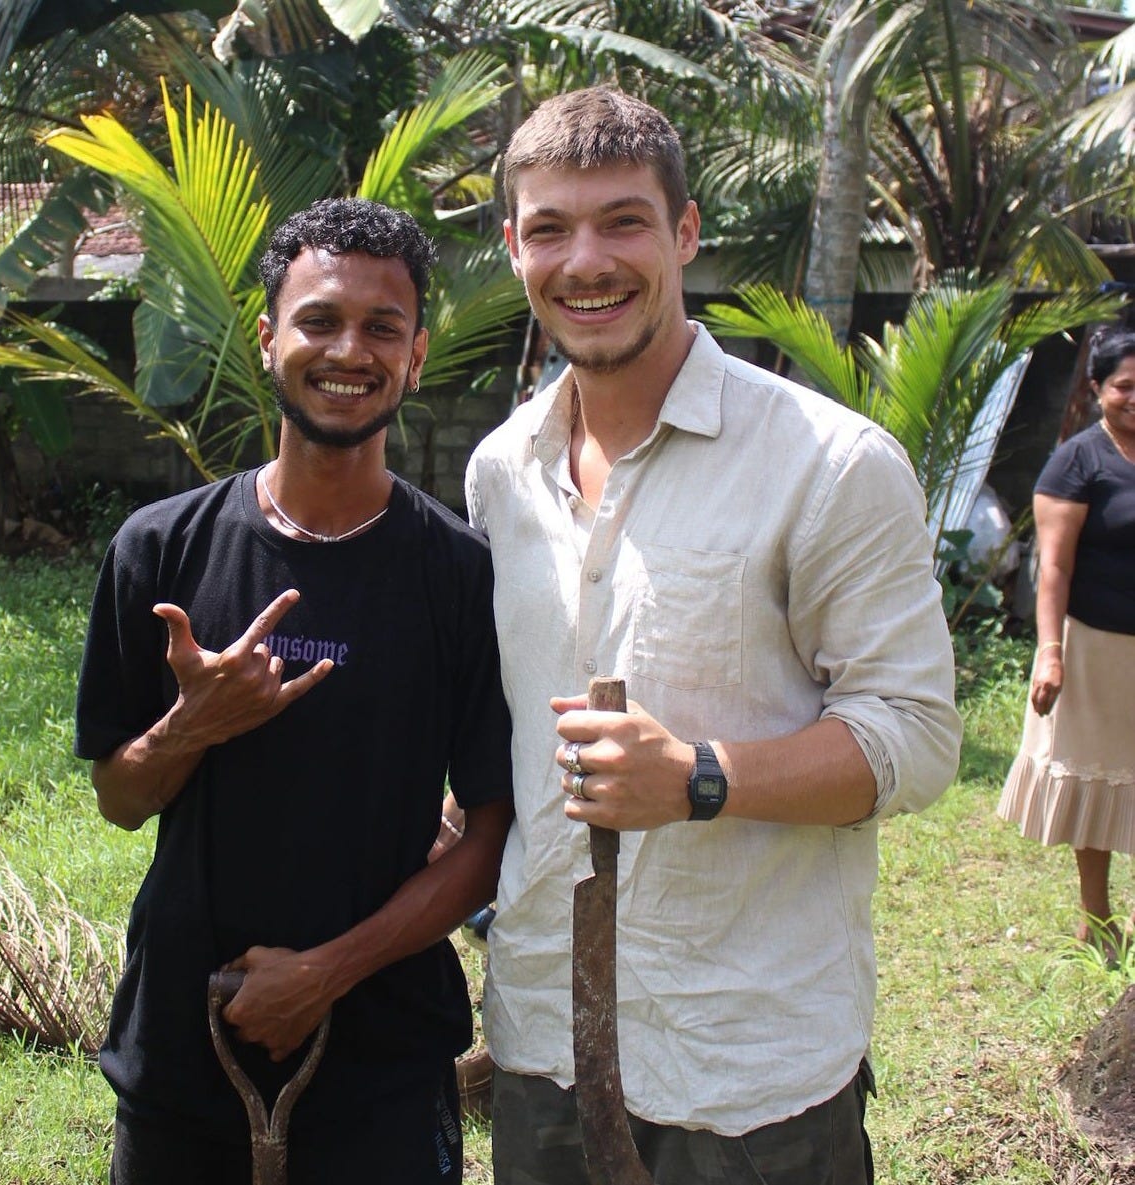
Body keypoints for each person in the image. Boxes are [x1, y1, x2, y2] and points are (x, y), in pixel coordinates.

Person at [465, 86, 962, 1184]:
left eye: (624, 222)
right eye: (550, 228)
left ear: (685, 232)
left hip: (747, 1065)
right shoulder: (501, 469)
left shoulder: (827, 464)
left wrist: (698, 777)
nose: (585, 261)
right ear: (513, 248)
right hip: (542, 1035)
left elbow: (917, 737)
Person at [76, 197, 515, 1185]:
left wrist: (325, 974)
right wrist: (191, 726)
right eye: (319, 320)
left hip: (383, 1069)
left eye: (382, 328)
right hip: (185, 1045)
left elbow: (491, 838)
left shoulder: (462, 576)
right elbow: (120, 798)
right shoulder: (159, 550)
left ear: (415, 355)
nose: (349, 350)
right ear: (270, 337)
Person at [998, 328, 1135, 964]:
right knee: (1097, 776)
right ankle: (1096, 919)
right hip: (1096, 646)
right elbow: (1052, 567)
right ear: (1098, 388)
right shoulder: (1077, 462)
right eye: (1125, 386)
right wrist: (1050, 651)